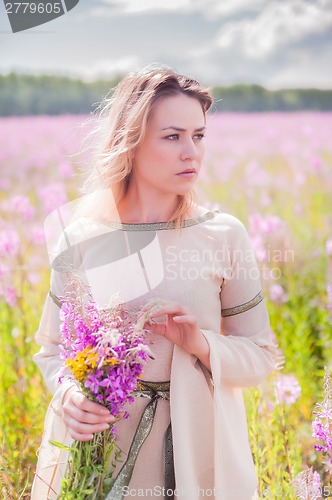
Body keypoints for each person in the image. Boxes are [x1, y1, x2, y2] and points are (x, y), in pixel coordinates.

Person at [31, 66, 276, 500]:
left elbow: (261, 357)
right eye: (173, 136)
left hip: (196, 451)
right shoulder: (82, 238)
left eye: (199, 135)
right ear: (132, 139)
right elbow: (52, 351)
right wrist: (69, 394)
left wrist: (199, 342)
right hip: (100, 456)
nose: (192, 153)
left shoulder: (223, 234)